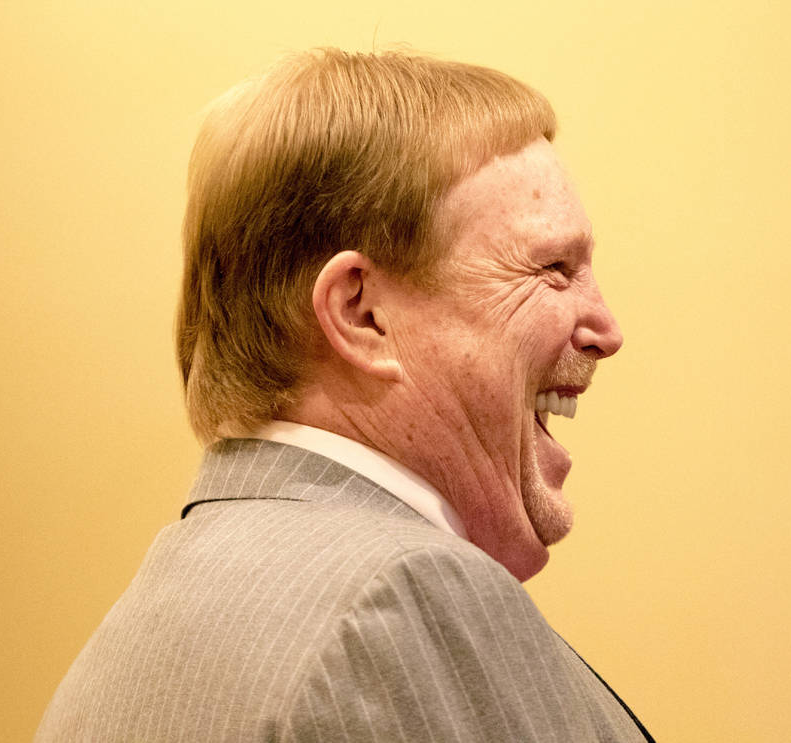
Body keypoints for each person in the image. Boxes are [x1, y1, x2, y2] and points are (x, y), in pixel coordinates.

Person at [36, 49, 651, 742]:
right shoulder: (405, 602)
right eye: (554, 268)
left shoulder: (134, 636)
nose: (606, 330)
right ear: (361, 314)